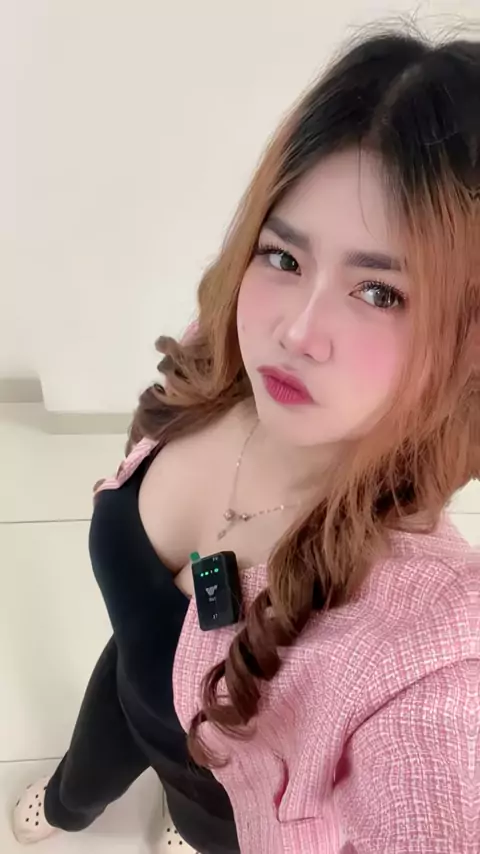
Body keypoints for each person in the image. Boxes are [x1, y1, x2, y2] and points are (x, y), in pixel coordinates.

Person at [12, 28, 479, 854]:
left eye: (380, 291)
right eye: (285, 257)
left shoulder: (427, 638)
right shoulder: (221, 357)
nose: (296, 331)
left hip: (221, 811)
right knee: (80, 781)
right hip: (125, 690)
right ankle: (69, 804)